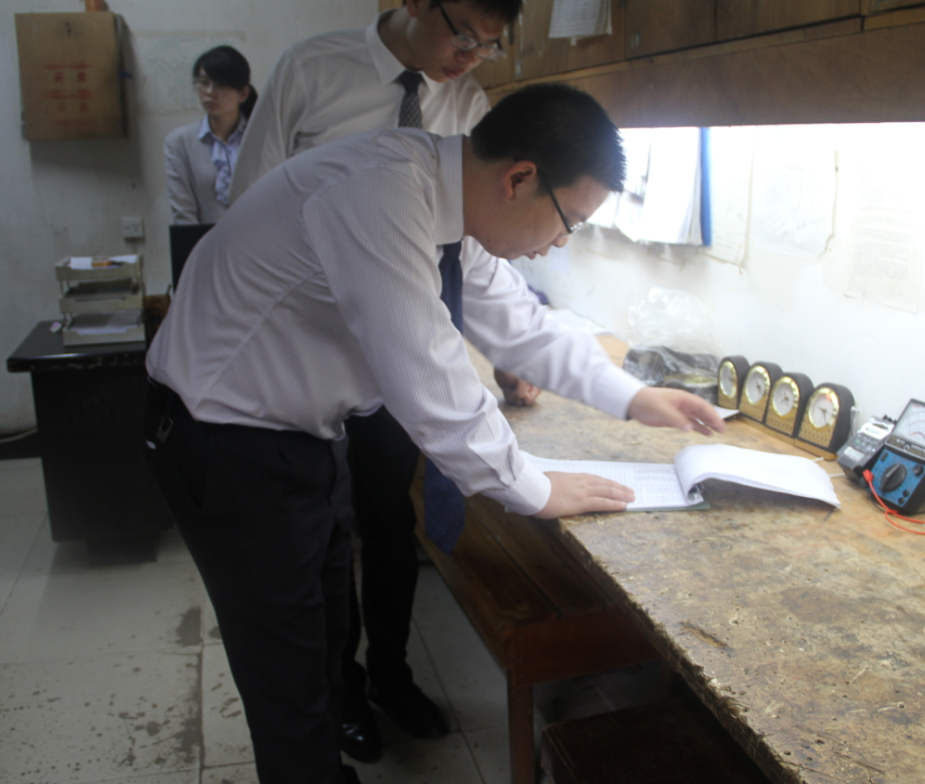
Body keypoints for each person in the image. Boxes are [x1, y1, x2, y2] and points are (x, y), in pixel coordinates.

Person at [144, 83, 726, 784]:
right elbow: (427, 371)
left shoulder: (447, 203)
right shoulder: (380, 195)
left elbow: (523, 327)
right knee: (287, 683)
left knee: (323, 645)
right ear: (520, 178)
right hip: (227, 441)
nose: (560, 242)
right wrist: (534, 488)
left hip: (301, 432)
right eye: (568, 220)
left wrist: (634, 396)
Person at [228, 0, 537, 761]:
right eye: (462, 35)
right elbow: (250, 201)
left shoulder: (466, 102)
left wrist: (506, 345)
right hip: (311, 355)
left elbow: (478, 237)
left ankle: (392, 674)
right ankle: (341, 691)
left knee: (389, 522)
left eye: (488, 46)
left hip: (401, 350)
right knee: (327, 531)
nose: (469, 58)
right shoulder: (310, 69)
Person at [164, 45, 257, 224]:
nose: (209, 92)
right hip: (207, 239)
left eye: (220, 85)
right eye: (204, 83)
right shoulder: (180, 141)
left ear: (243, 93)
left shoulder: (261, 136)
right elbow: (183, 212)